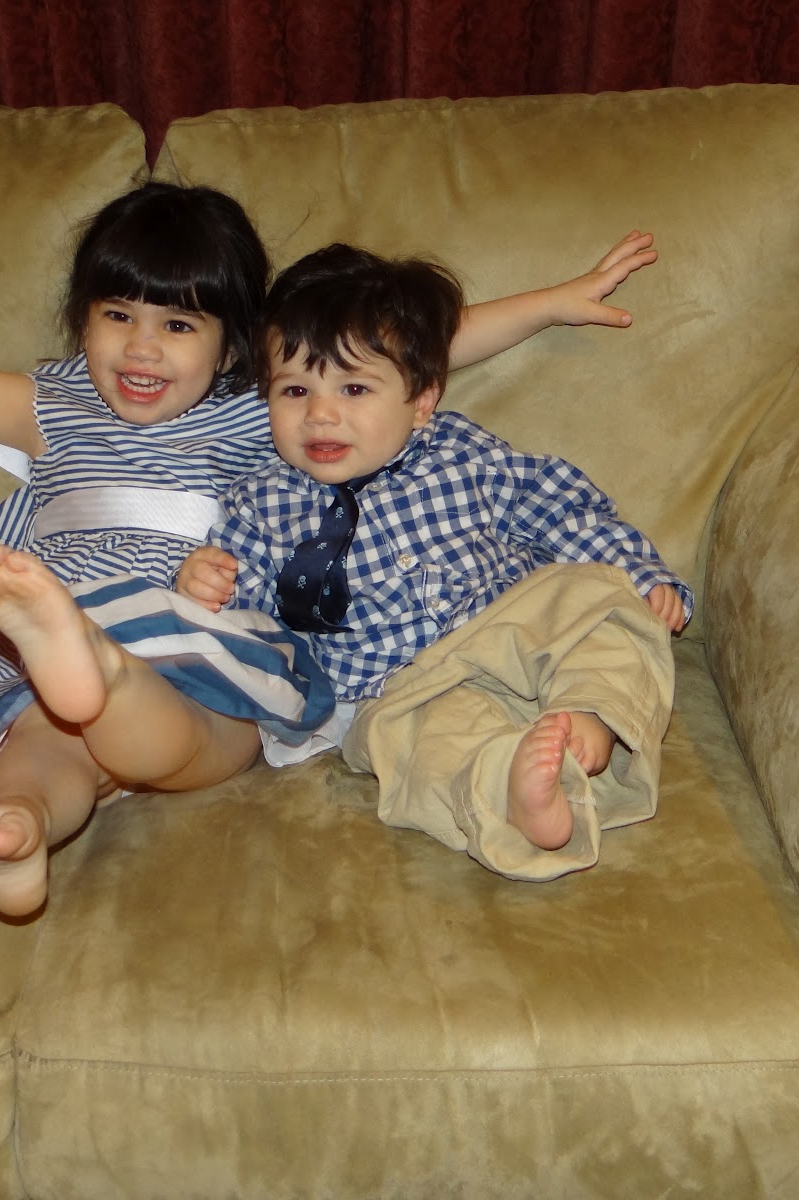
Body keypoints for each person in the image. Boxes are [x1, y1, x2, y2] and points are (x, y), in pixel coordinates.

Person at [0, 183, 659, 913]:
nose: (141, 347)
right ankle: (17, 840)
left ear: (237, 345)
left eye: (177, 325)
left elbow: (388, 351)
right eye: (116, 314)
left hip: (191, 636)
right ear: (81, 321)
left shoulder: (265, 411)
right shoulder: (51, 408)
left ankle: (92, 670)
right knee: (45, 748)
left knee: (170, 720)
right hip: (62, 622)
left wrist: (548, 305)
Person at [177, 243, 692, 880]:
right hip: (399, 689)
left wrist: (638, 573)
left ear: (421, 402)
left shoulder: (462, 454)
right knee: (420, 753)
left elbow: (560, 510)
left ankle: (590, 709)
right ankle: (515, 791)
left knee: (599, 599)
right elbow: (252, 628)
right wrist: (203, 588)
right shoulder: (258, 503)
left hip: (510, 627)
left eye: (354, 388)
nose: (320, 414)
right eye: (295, 389)